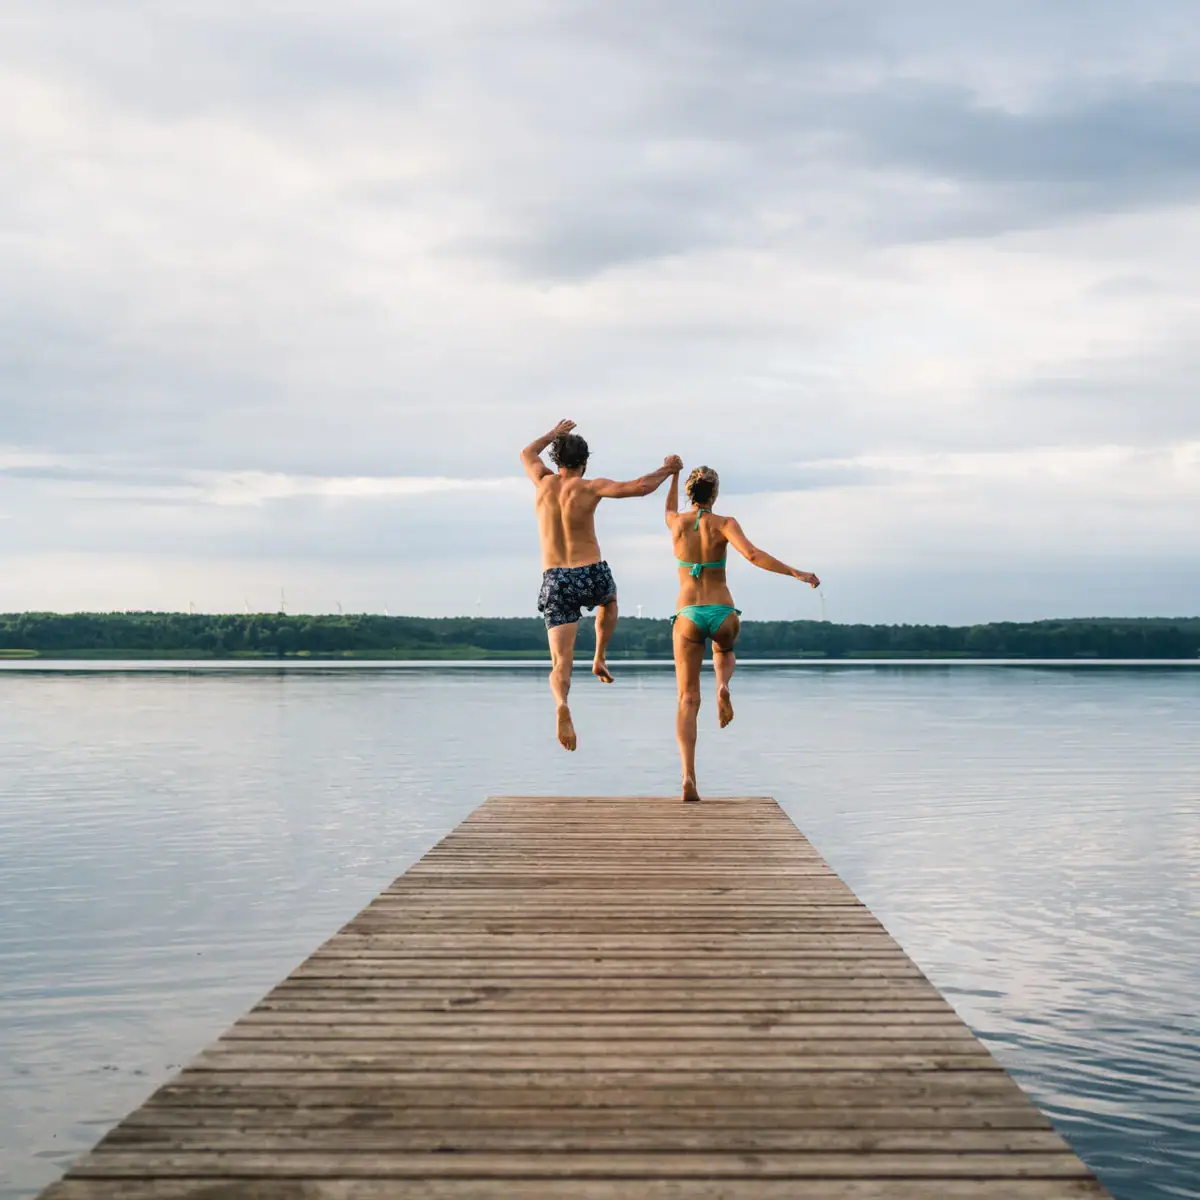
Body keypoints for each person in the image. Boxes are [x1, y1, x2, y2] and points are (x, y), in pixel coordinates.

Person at [522, 419, 682, 752]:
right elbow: (639, 487)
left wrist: (554, 433)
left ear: (556, 461)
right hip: (588, 571)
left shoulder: (542, 482)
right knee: (609, 599)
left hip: (555, 578)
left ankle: (561, 705)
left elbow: (526, 452)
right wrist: (667, 470)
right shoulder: (590, 486)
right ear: (584, 463)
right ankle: (599, 656)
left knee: (560, 663)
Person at [666, 464, 820, 802]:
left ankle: (688, 776)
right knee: (723, 649)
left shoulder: (675, 523)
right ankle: (723, 685)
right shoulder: (725, 524)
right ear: (715, 493)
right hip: (722, 611)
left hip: (687, 615)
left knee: (687, 700)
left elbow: (668, 508)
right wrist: (795, 572)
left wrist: (673, 474)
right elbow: (752, 554)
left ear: (689, 493)